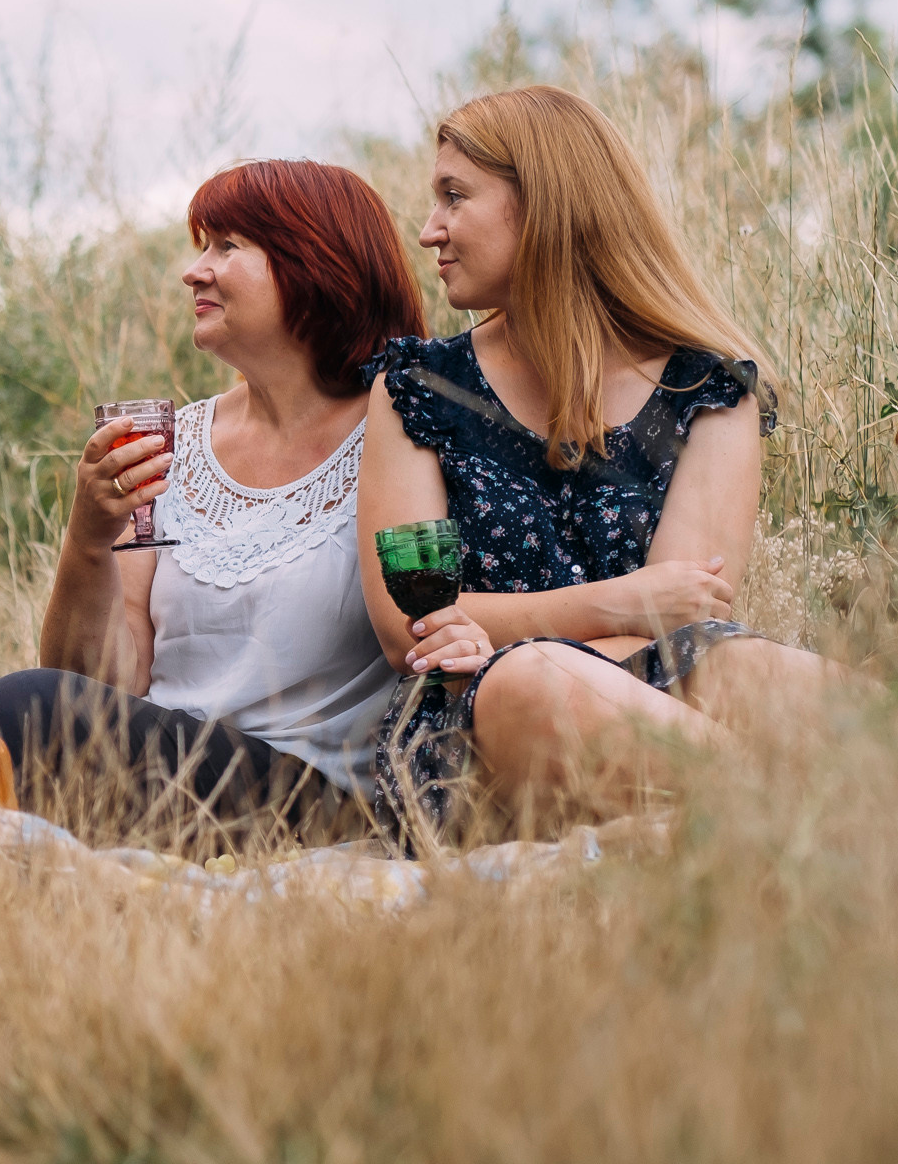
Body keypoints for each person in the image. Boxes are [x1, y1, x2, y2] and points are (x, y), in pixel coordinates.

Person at [0, 158, 428, 842]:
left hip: (305, 795)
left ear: (315, 264)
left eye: (227, 246)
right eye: (202, 246)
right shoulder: (177, 441)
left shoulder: (401, 431)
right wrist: (90, 536)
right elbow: (102, 684)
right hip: (157, 765)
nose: (194, 271)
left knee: (27, 703)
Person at [355, 85, 836, 836]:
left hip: (649, 705)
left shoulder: (708, 390)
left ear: (543, 204)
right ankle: (794, 832)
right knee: (531, 679)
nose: (428, 230)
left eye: (454, 196)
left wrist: (507, 626)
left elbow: (681, 625)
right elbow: (408, 628)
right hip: (476, 726)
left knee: (757, 670)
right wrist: (616, 603)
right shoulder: (419, 387)